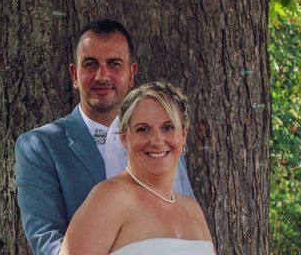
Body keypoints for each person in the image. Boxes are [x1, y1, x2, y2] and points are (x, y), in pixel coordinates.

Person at [15, 19, 194, 255]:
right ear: (74, 75)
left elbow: (185, 222)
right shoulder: (39, 147)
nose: (102, 76)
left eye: (114, 64)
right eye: (90, 64)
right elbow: (47, 241)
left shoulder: (161, 143)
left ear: (131, 74)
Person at [59, 81, 214, 255]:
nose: (156, 141)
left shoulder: (192, 210)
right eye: (143, 129)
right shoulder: (109, 198)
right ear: (125, 138)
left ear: (183, 134)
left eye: (168, 128)